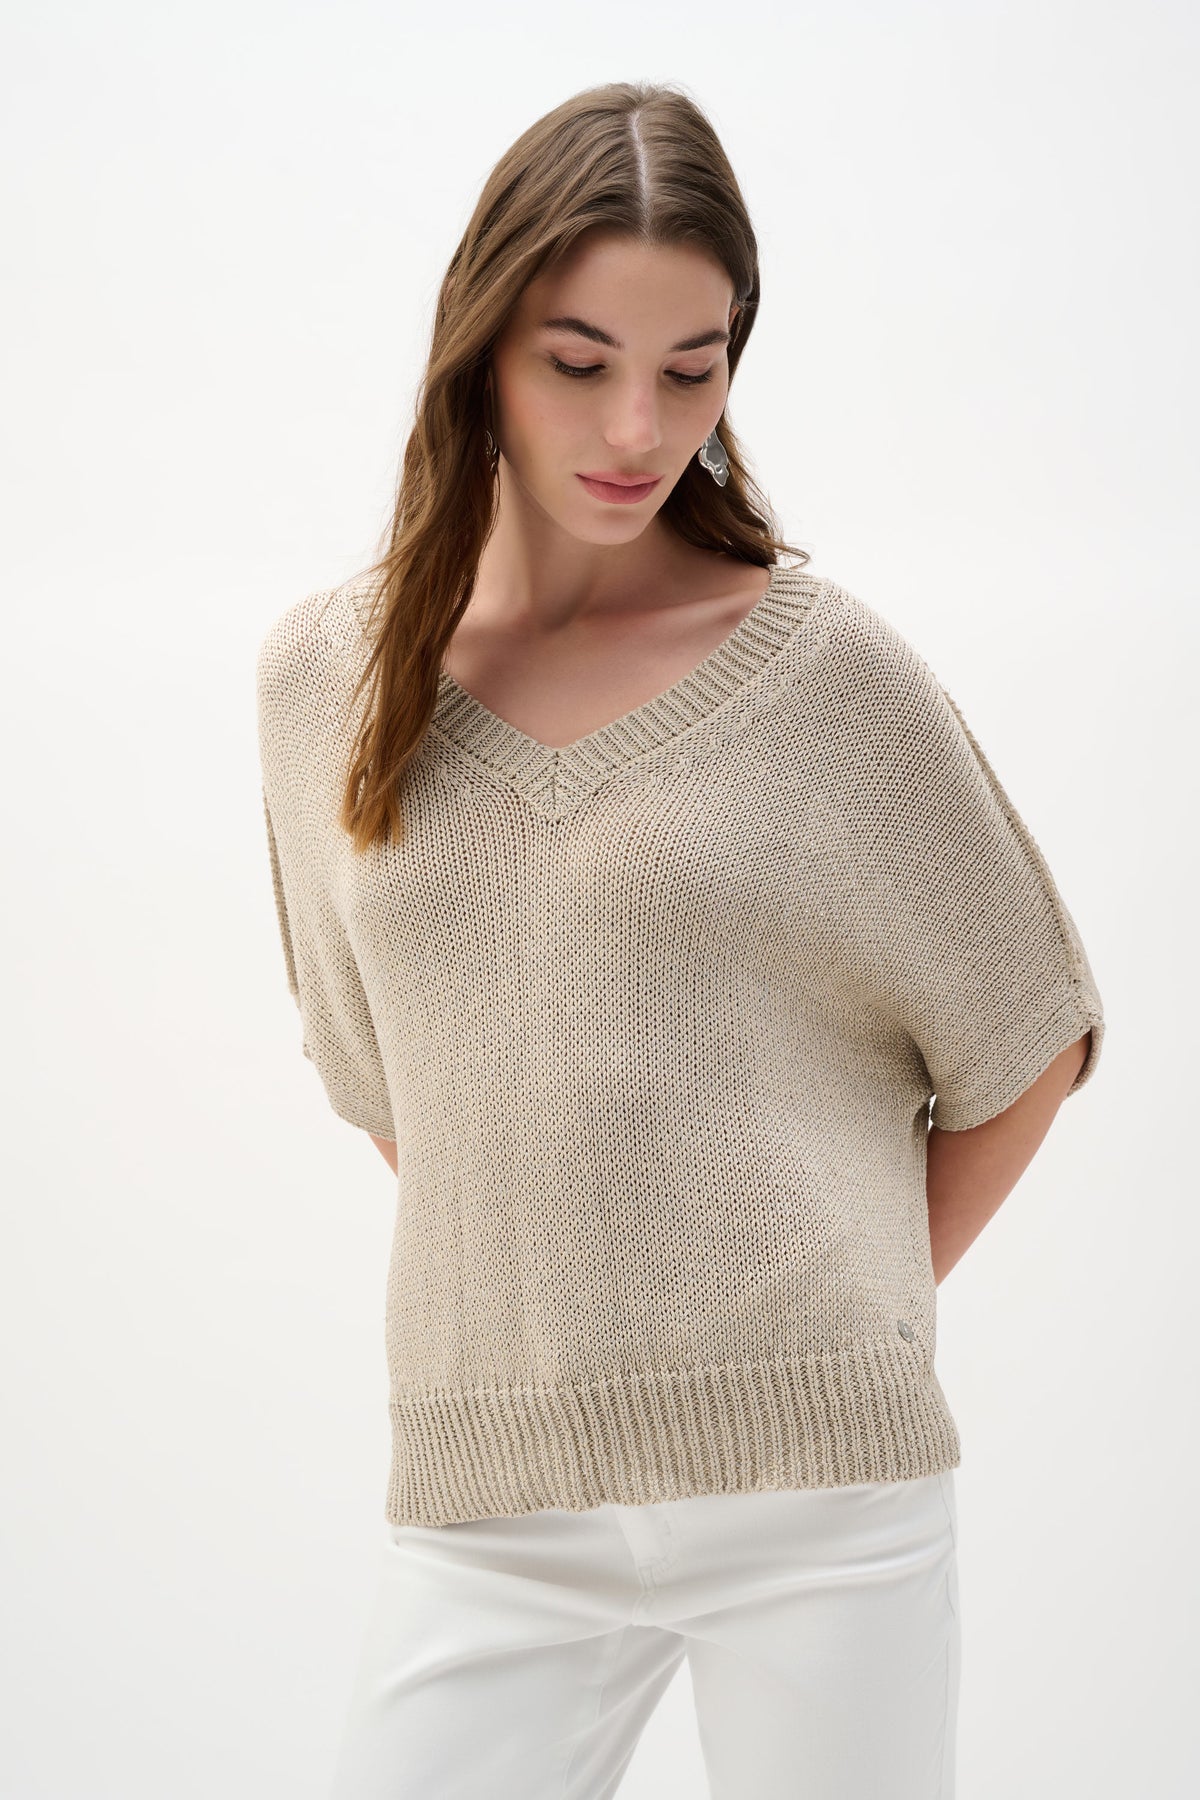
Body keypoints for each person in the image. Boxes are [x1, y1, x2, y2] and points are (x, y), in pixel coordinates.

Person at [255, 81, 1104, 1800]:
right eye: (578, 362)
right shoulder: (319, 685)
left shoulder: (828, 675)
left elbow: (1030, 1032)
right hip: (497, 1502)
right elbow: (398, 1086)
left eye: (691, 368)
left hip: (820, 1503)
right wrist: (595, 1323)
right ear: (480, 347)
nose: (636, 426)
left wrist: (814, 1318)